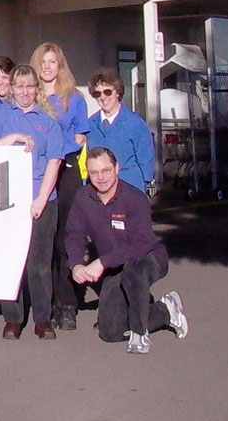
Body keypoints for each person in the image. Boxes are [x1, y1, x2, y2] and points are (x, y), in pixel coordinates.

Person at [66, 146, 189, 353]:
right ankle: (165, 310)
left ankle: (140, 334)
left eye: (105, 170)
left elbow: (140, 244)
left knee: (134, 272)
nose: (101, 177)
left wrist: (102, 262)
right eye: (94, 172)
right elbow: (74, 234)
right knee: (110, 332)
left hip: (148, 258)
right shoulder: (83, 198)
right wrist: (76, 264)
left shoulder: (134, 198)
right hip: (116, 265)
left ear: (116, 169)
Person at [0, 65, 67, 340]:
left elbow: (55, 161)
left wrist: (41, 199)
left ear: (37, 89)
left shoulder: (49, 119)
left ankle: (43, 319)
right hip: (6, 199)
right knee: (10, 260)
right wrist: (13, 138)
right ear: (11, 89)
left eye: (30, 86)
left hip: (41, 198)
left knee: (39, 264)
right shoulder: (0, 114)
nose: (25, 91)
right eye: (19, 86)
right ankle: (13, 319)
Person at [32, 41, 90, 331]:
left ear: (60, 65)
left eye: (52, 62)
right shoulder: (31, 96)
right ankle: (46, 300)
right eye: (43, 61)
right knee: (44, 240)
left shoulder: (74, 98)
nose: (47, 66)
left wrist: (60, 154)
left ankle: (68, 303)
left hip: (66, 171)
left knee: (64, 240)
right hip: (38, 173)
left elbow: (79, 137)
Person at [86, 69, 156, 195]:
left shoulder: (136, 123)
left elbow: (146, 160)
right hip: (100, 192)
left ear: (117, 93)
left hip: (130, 189)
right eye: (97, 94)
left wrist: (146, 188)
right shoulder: (90, 124)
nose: (103, 97)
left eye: (107, 92)